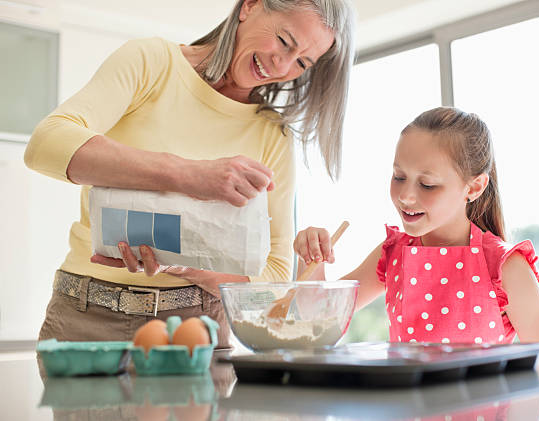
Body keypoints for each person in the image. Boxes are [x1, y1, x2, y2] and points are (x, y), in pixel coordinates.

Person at [24, 0, 355, 348]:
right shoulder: (152, 63)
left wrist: (182, 265)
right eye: (285, 40)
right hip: (87, 318)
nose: (283, 64)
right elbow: (46, 144)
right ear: (250, 6)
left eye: (302, 62)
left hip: (199, 328)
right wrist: (188, 175)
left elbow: (271, 278)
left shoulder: (273, 134)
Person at [294, 106, 539, 358]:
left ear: (474, 187)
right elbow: (317, 320)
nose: (406, 196)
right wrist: (311, 259)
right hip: (407, 407)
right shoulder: (393, 253)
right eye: (399, 177)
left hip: (482, 409)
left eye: (428, 184)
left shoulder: (506, 266)